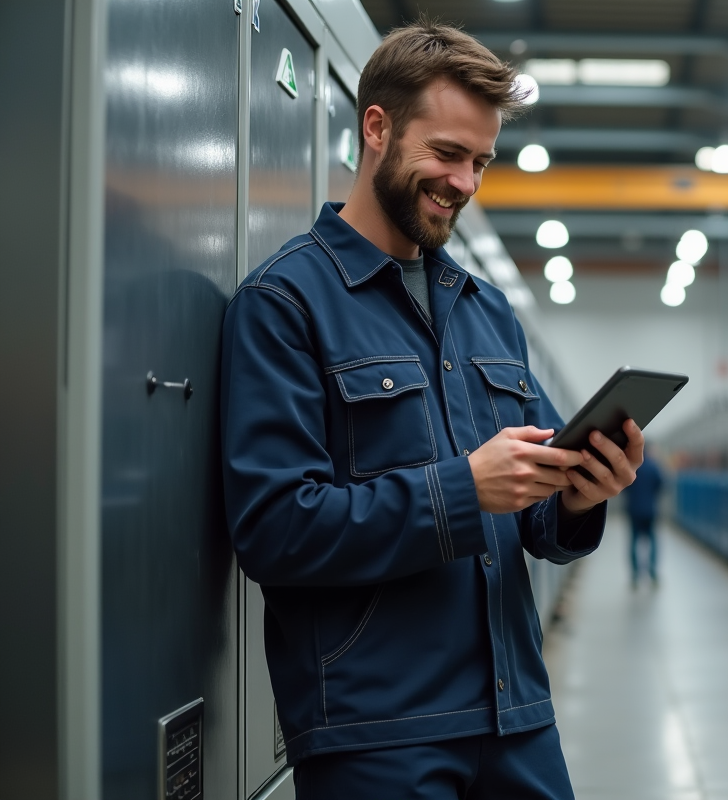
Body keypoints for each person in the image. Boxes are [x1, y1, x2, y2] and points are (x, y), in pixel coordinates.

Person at [219, 19, 643, 799]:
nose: (467, 183)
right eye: (448, 154)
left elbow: (538, 522)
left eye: (481, 161)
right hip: (378, 735)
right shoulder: (285, 304)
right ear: (376, 128)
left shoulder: (486, 313)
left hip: (518, 718)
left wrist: (579, 494)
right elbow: (274, 530)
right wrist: (460, 489)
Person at [624, 447, 664, 586]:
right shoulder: (653, 466)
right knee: (652, 540)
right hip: (650, 510)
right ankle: (652, 571)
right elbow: (660, 484)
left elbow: (624, 486)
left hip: (634, 510)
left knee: (634, 541)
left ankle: (635, 574)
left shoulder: (632, 467)